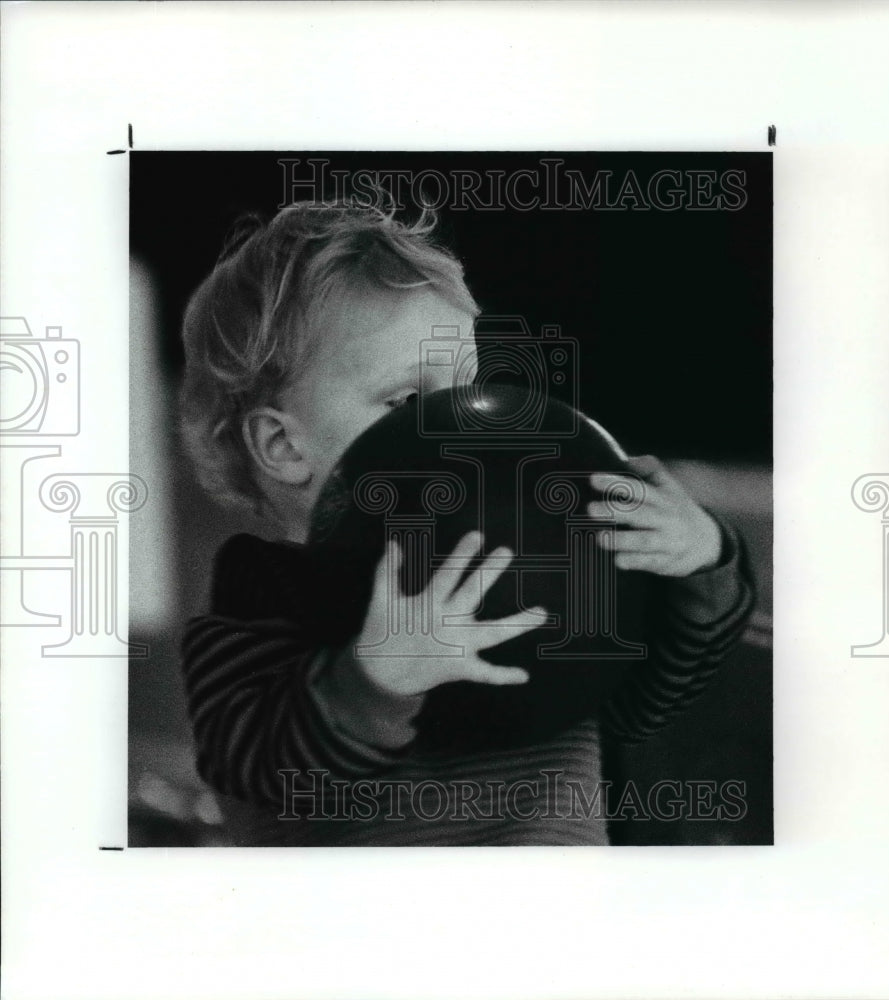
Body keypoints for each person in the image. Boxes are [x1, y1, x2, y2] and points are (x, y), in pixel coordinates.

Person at [179, 200, 755, 846]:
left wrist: (700, 564)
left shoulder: (530, 560)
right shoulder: (264, 594)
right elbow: (254, 766)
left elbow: (639, 704)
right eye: (405, 401)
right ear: (284, 448)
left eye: (463, 394)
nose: (458, 429)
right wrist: (376, 678)